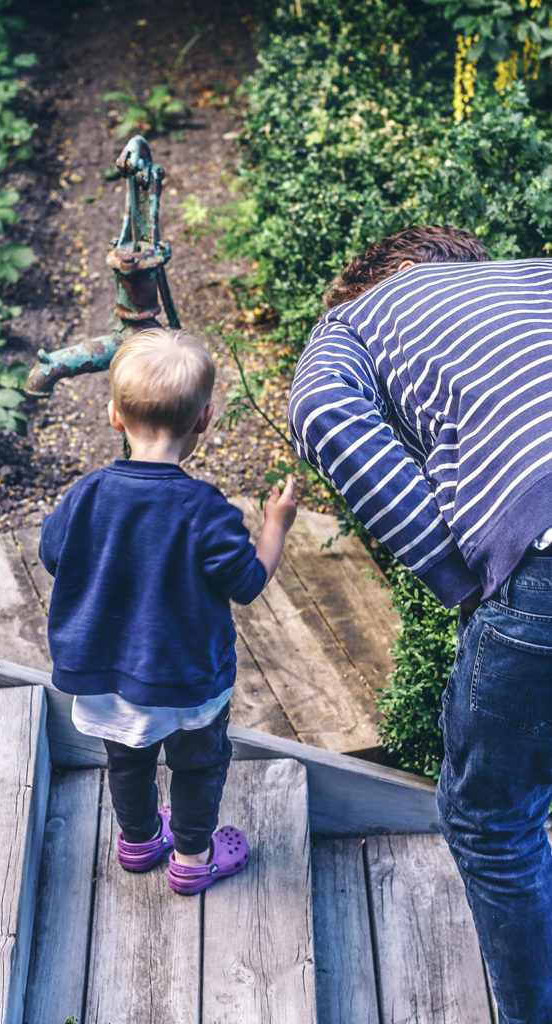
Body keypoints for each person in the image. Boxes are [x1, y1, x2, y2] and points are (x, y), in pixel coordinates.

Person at [288, 225, 552, 1024]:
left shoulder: (357, 318)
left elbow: (324, 417)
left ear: (394, 269)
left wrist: (465, 583)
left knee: (490, 818)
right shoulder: (536, 274)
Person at [39, 327, 297, 896]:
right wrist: (275, 524)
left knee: (128, 762)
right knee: (198, 765)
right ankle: (192, 859)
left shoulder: (86, 494)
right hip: (189, 681)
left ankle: (136, 844)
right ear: (204, 419)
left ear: (114, 415)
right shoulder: (206, 511)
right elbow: (248, 582)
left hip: (107, 678)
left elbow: (54, 555)